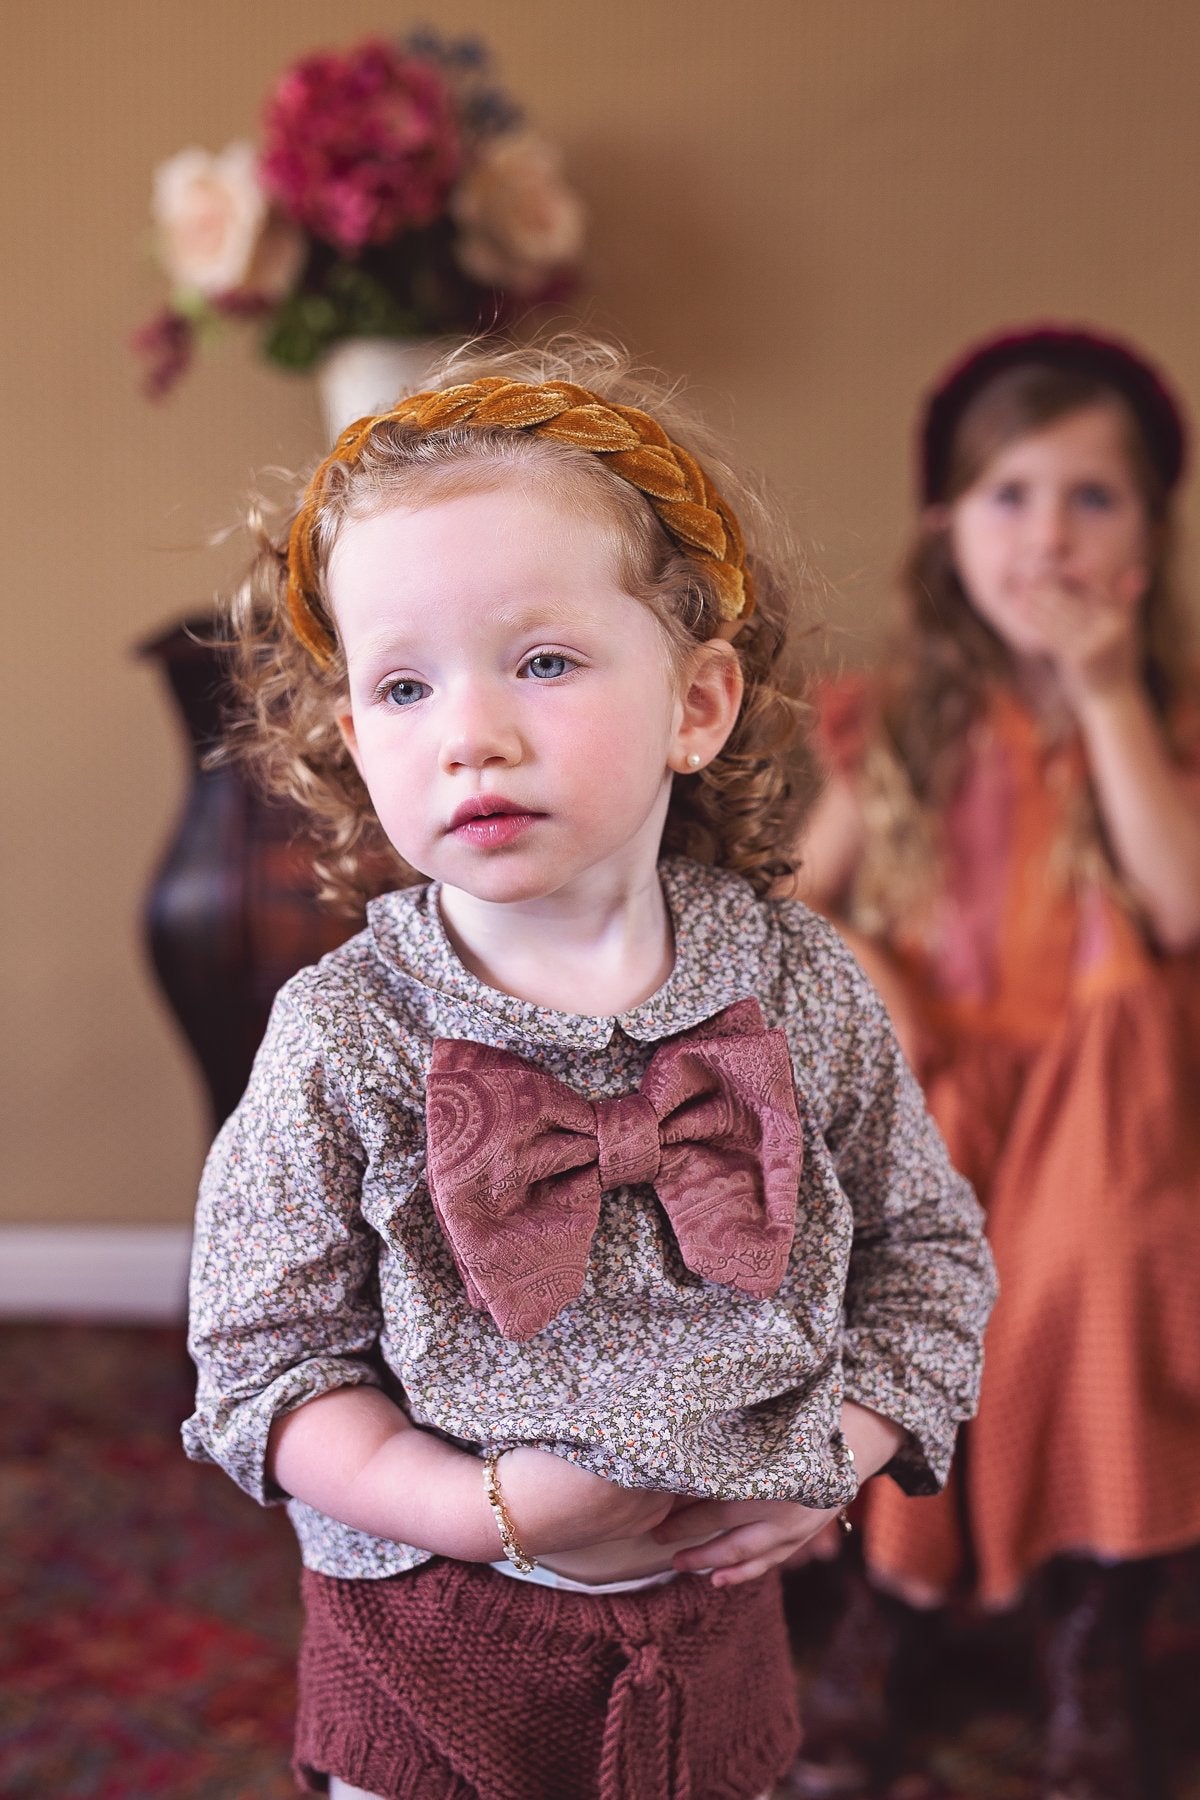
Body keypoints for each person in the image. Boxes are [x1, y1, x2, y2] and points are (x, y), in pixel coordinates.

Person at [182, 336, 996, 1800]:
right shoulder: (342, 1033)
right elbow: (263, 1368)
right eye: (405, 689)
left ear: (698, 703)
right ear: (355, 735)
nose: (473, 736)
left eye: (544, 661)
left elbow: (928, 1253)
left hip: (719, 1640)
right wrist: (479, 1504)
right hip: (424, 1641)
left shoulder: (801, 989)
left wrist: (843, 1445)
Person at [791, 325, 1200, 1800]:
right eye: (1012, 496)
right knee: (918, 1273)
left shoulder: (1162, 723)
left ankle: (1097, 1620)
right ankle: (892, 1612)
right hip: (948, 1081)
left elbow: (1181, 903)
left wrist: (1105, 697)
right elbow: (796, 903)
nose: (1050, 535)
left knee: (1098, 1268)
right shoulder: (900, 723)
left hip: (1115, 1099)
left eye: (1095, 499)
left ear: (1149, 538)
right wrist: (882, 971)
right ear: (950, 529)